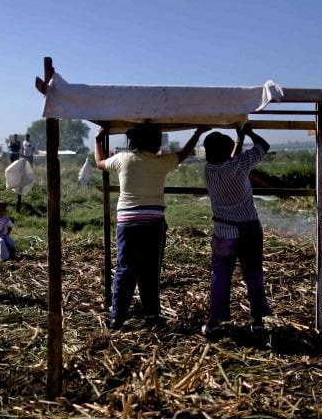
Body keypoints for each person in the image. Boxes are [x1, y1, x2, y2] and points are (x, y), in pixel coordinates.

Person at [94, 123, 208, 330]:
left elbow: (99, 162)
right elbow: (183, 154)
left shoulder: (123, 159)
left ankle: (117, 317)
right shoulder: (161, 162)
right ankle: (152, 316)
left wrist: (97, 140)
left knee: (125, 269)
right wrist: (197, 132)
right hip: (153, 222)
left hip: (128, 223)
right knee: (149, 270)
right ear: (156, 143)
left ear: (133, 142)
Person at [201, 124, 271, 337]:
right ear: (227, 151)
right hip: (249, 229)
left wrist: (237, 141)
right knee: (253, 275)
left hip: (224, 232)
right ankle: (258, 322)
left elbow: (228, 158)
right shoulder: (239, 165)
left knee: (220, 277)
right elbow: (263, 146)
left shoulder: (208, 170)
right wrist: (246, 133)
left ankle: (214, 322)